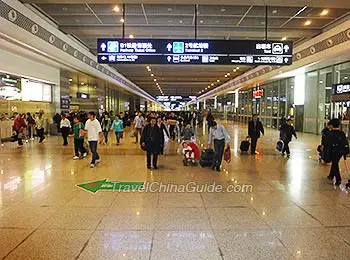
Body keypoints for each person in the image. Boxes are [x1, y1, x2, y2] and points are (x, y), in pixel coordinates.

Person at [326, 118, 349, 186]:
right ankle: (331, 176)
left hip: (334, 151)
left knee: (335, 164)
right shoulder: (342, 133)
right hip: (341, 151)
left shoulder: (330, 133)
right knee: (334, 163)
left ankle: (338, 179)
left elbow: (329, 143)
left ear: (332, 125)